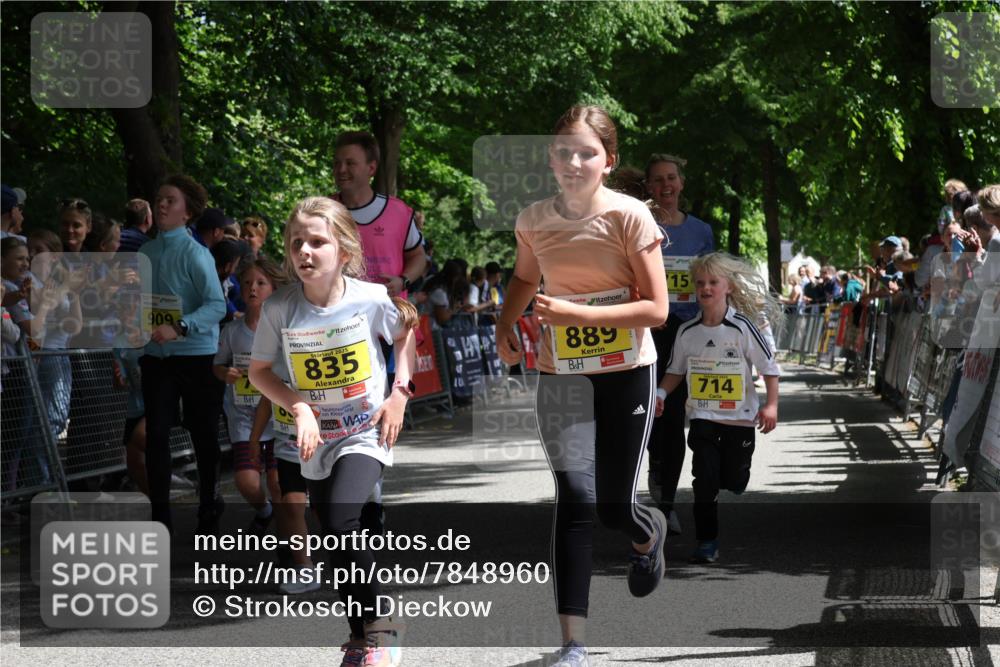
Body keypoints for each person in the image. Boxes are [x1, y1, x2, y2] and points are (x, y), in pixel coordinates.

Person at [495, 105, 669, 667]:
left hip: (626, 371)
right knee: (574, 497)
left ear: (607, 162)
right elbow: (525, 276)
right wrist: (504, 325)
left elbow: (657, 309)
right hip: (561, 373)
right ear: (551, 158)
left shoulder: (630, 217)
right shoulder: (532, 219)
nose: (574, 161)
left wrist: (578, 314)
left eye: (587, 152)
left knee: (615, 506)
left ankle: (647, 533)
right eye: (564, 151)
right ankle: (573, 642)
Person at [248, 196, 417, 667]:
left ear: (343, 251)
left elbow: (405, 336)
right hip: (315, 436)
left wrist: (400, 393)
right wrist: (299, 406)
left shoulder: (369, 298)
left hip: (365, 430)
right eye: (296, 242)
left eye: (317, 242)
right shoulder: (280, 308)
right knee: (335, 535)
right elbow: (260, 372)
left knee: (342, 519)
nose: (304, 251)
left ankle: (382, 629)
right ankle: (359, 637)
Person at [654, 252, 782, 564]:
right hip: (703, 416)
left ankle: (735, 479)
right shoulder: (687, 331)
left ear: (729, 288)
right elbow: (675, 371)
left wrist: (771, 405)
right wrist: (660, 392)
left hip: (739, 419)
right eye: (700, 283)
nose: (706, 288)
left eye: (713, 282)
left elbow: (769, 367)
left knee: (735, 479)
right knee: (704, 479)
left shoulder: (742, 328)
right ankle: (707, 541)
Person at [140, 174, 227, 534]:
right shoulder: (145, 253)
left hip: (196, 356)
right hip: (156, 359)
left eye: (170, 200)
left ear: (187, 212)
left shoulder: (196, 254)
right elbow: (140, 307)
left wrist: (180, 327)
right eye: (159, 199)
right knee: (157, 434)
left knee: (202, 433)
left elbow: (217, 305)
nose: (162, 205)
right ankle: (160, 515)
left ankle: (209, 502)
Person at [643, 153, 714, 536]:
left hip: (691, 335)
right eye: (657, 180)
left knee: (685, 422)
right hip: (650, 333)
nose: (665, 186)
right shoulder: (637, 224)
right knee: (656, 419)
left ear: (682, 183)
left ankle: (672, 497)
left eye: (671, 178)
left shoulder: (701, 231)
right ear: (648, 186)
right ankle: (659, 496)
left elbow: (712, 281)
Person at [213, 258, 286, 536]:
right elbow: (217, 365)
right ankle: (265, 511)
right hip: (243, 416)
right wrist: (225, 373)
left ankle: (288, 538)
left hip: (277, 417)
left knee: (278, 483)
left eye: (260, 283)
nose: (252, 288)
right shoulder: (232, 331)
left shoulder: (282, 330)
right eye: (246, 283)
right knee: (246, 482)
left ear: (273, 288)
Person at [332, 131, 426, 298]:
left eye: (350, 163)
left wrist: (402, 281)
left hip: (388, 315)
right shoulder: (322, 211)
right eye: (337, 163)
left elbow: (418, 256)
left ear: (372, 168)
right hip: (337, 316)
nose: (341, 169)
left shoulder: (398, 212)